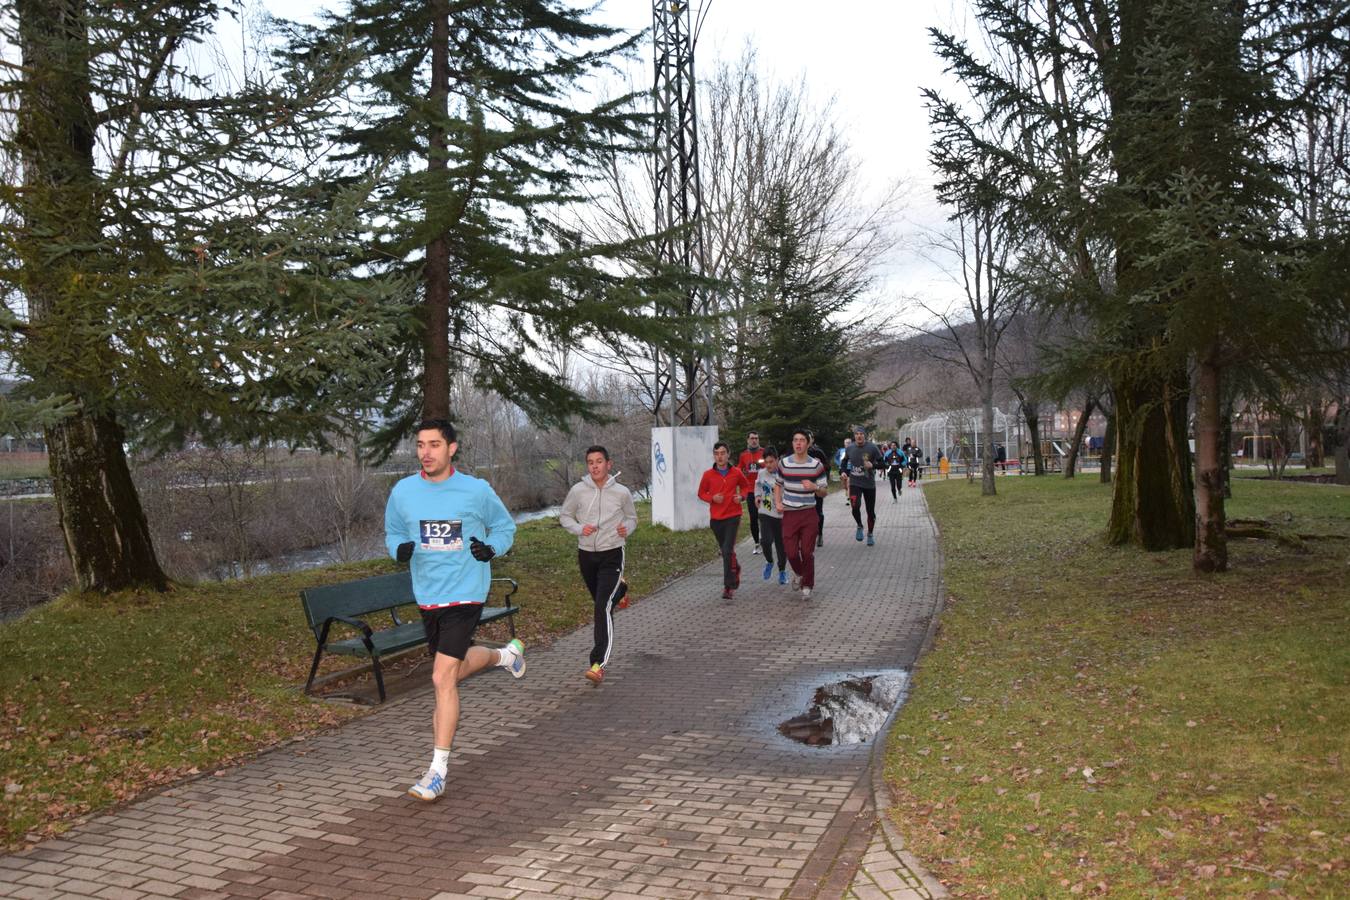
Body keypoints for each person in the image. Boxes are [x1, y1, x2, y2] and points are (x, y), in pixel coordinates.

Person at [384, 419, 524, 803]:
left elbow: (505, 528)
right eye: (420, 445)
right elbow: (393, 532)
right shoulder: (403, 492)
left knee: (441, 677)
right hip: (428, 596)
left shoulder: (476, 491)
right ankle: (503, 656)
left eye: (434, 444)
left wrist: (491, 548)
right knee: (452, 672)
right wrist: (399, 550)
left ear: (452, 449)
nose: (425, 452)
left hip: (466, 594)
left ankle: (437, 772)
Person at [559, 445, 638, 685]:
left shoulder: (622, 492)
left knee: (602, 607)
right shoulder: (578, 491)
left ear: (608, 464)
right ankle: (620, 591)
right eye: (590, 462)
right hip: (586, 555)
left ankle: (598, 663)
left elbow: (632, 518)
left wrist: (627, 528)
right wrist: (578, 528)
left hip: (612, 553)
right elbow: (565, 516)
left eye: (599, 461)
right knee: (601, 605)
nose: (595, 466)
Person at [775, 429, 828, 599]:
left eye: (802, 440)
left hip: (808, 513)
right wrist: (777, 501)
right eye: (795, 440)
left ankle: (808, 585)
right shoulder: (784, 464)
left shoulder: (816, 465)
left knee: (806, 552)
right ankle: (799, 573)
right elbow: (778, 484)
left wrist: (815, 488)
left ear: (808, 443)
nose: (798, 443)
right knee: (790, 552)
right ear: (792, 443)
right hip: (790, 513)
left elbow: (824, 492)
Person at [697, 441, 751, 600]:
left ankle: (729, 586)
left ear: (728, 454)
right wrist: (712, 498)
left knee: (727, 550)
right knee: (727, 551)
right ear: (714, 456)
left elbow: (746, 487)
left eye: (722, 453)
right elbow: (701, 493)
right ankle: (736, 568)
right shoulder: (708, 474)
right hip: (716, 519)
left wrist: (741, 497)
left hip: (733, 516)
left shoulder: (736, 472)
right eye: (716, 454)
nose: (719, 457)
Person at [844, 425, 886, 545]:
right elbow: (844, 461)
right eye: (857, 434)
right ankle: (859, 525)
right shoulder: (850, 448)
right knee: (854, 506)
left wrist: (873, 466)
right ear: (854, 436)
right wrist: (843, 471)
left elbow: (883, 464)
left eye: (861, 434)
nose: (859, 436)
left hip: (869, 484)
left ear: (864, 436)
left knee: (870, 511)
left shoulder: (872, 448)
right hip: (854, 482)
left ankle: (870, 534)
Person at [754, 447, 788, 585]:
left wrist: (785, 505)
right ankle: (769, 561)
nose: (768, 465)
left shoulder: (784, 474)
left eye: (771, 461)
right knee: (766, 541)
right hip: (765, 511)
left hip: (780, 515)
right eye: (766, 462)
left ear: (777, 460)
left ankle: (782, 571)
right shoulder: (761, 473)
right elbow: (757, 486)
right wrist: (757, 496)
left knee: (781, 545)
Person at [737, 432, 766, 555]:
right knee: (753, 518)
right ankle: (757, 543)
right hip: (750, 490)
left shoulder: (764, 452)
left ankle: (766, 540)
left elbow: (771, 465)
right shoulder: (744, 455)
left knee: (764, 517)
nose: (754, 440)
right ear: (747, 440)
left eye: (756, 438)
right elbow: (739, 468)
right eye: (752, 438)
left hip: (765, 490)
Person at [806, 431, 830, 547]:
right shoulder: (799, 453)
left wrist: (821, 464)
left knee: (818, 512)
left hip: (817, 487)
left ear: (812, 440)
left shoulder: (818, 452)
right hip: (804, 488)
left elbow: (827, 466)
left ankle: (819, 534)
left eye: (808, 438)